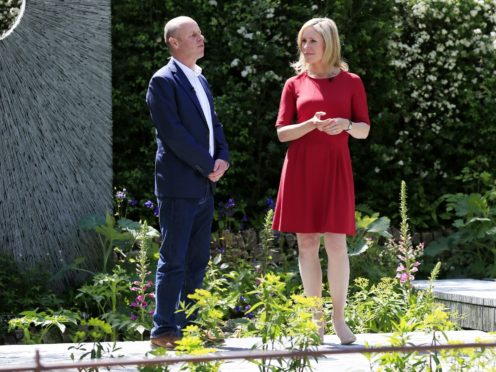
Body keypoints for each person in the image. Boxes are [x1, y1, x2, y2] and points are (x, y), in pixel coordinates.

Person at [272, 17, 370, 345]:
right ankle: (316, 322)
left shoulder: (352, 81)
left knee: (337, 243)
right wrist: (310, 124)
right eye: (303, 41)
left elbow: (364, 129)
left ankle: (339, 320)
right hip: (301, 168)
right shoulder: (294, 84)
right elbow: (283, 132)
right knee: (307, 243)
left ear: (329, 43)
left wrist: (345, 123)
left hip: (335, 168)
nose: (306, 47)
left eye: (312, 41)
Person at [145, 16, 230, 348]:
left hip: (204, 185)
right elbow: (174, 136)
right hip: (179, 186)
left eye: (200, 33)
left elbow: (214, 125)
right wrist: (208, 164)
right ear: (174, 42)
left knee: (198, 260)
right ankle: (163, 330)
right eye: (192, 35)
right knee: (174, 259)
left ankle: (190, 327)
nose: (201, 38)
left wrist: (222, 157)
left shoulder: (199, 78)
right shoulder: (162, 81)